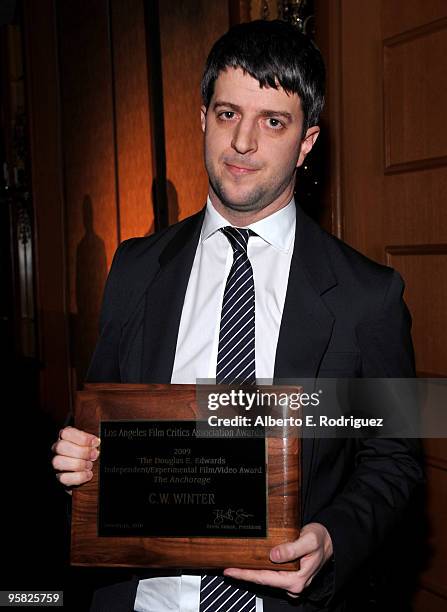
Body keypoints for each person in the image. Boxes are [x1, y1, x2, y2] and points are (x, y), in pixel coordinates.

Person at [52, 19, 423, 612]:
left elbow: (394, 459)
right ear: (203, 118)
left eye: (272, 122)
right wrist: (79, 458)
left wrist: (332, 539)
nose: (243, 142)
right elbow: (101, 422)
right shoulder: (134, 267)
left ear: (307, 141)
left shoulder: (366, 297)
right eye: (228, 114)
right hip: (139, 596)